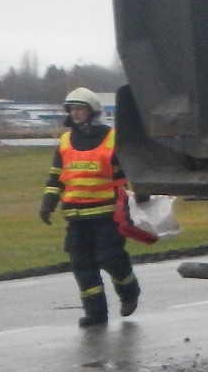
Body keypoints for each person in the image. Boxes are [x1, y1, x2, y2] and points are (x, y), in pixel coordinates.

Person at [39, 88, 140, 328]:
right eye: (72, 109)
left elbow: (126, 174)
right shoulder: (64, 142)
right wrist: (47, 204)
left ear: (92, 111)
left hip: (107, 216)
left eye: (80, 108)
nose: (75, 113)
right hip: (76, 218)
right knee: (81, 265)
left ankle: (129, 292)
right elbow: (56, 178)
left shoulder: (112, 138)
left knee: (110, 258)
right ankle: (96, 314)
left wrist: (136, 197)